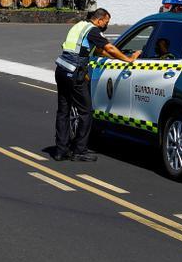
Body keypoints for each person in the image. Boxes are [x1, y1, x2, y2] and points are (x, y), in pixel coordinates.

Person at [52, 8, 138, 161]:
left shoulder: (78, 26)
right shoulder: (93, 30)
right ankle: (79, 151)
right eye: (106, 22)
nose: (106, 25)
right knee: (85, 112)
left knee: (63, 111)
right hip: (75, 74)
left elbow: (97, 51)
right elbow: (108, 48)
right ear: (99, 20)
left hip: (61, 70)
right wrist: (128, 59)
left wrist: (115, 58)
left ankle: (60, 151)